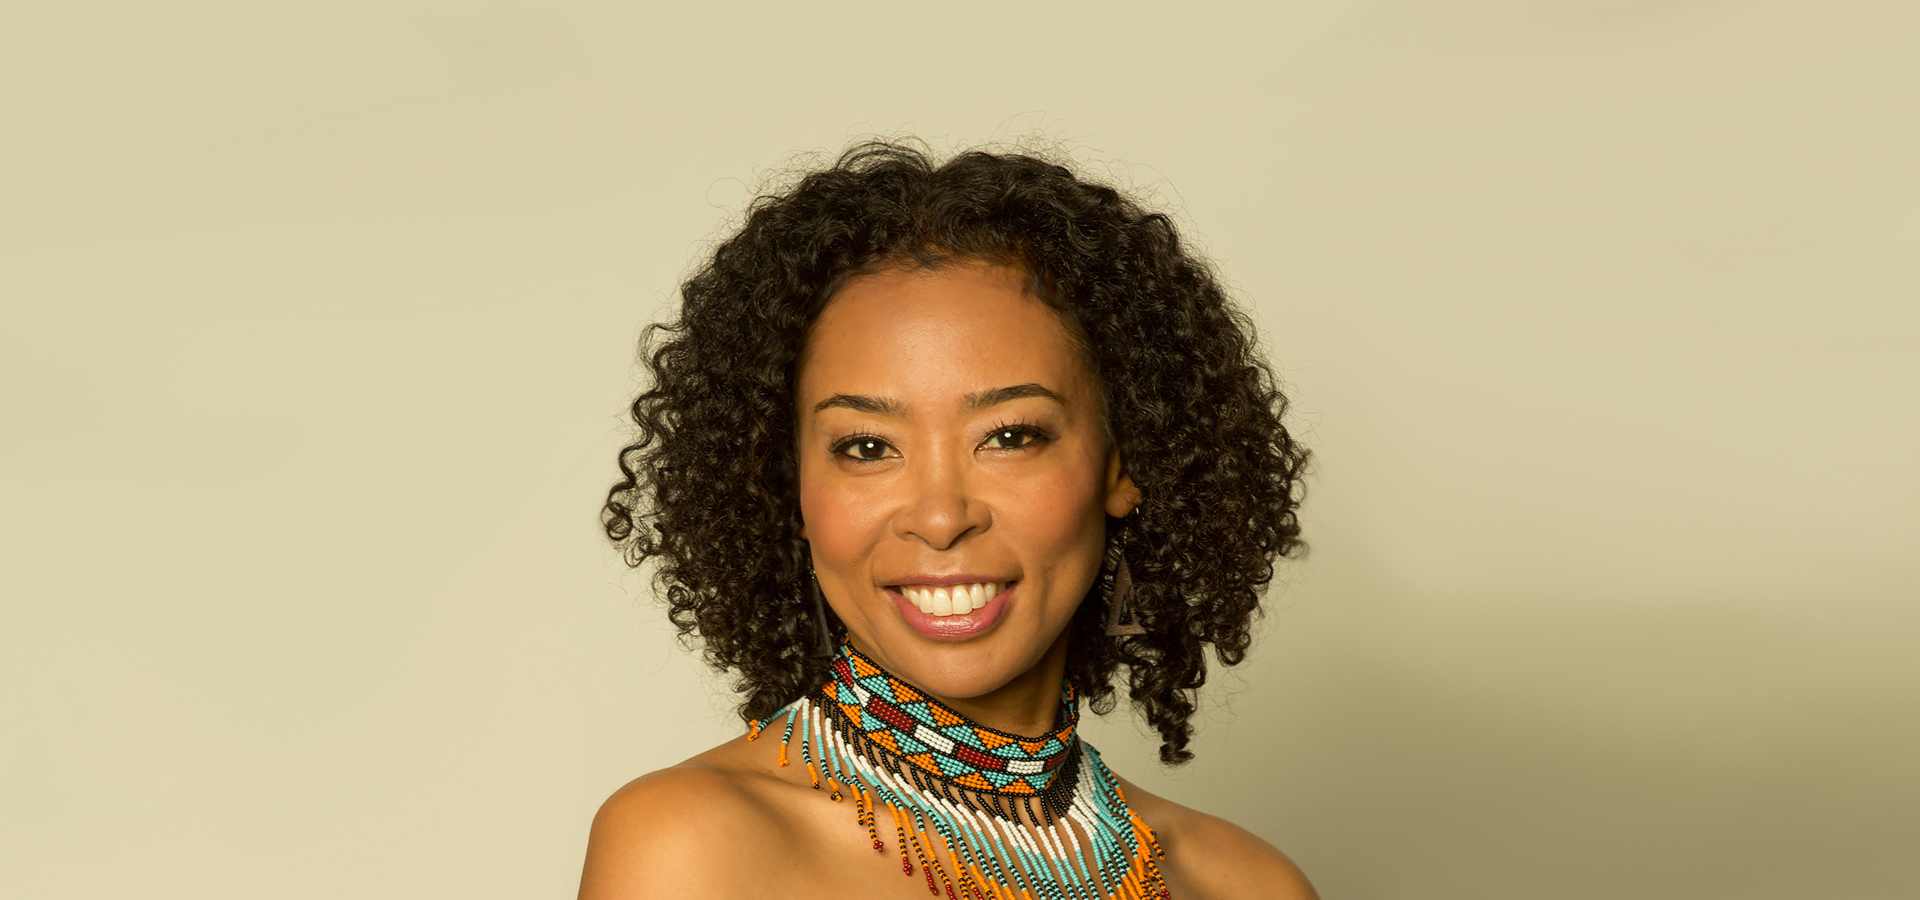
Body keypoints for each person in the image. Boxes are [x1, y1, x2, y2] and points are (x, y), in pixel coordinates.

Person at [580, 140, 1316, 899]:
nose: (939, 518)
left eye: (1010, 437)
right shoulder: (692, 845)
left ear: (1122, 466)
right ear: (788, 486)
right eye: (866, 447)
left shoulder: (1244, 883)